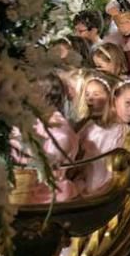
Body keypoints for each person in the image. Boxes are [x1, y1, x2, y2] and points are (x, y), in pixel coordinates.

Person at [75, 79, 130, 195]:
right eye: (128, 103)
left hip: (113, 192)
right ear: (115, 98)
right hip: (83, 187)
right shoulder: (91, 126)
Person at [10, 73, 80, 203]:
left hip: (49, 194)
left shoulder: (61, 133)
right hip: (25, 186)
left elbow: (45, 166)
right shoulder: (33, 119)